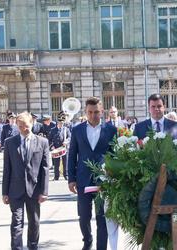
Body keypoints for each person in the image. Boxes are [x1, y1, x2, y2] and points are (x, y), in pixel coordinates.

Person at [68, 97, 117, 250]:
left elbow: (115, 155)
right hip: (83, 180)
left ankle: (101, 247)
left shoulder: (111, 130)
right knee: (84, 217)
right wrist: (71, 178)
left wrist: (114, 176)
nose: (93, 115)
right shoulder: (77, 130)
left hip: (104, 180)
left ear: (101, 112)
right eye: (90, 112)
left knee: (102, 218)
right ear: (85, 112)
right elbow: (72, 155)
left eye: (96, 112)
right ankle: (87, 241)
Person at [2, 112, 50, 250]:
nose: (24, 129)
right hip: (15, 190)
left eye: (27, 126)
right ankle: (16, 248)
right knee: (16, 222)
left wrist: (44, 191)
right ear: (17, 125)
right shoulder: (10, 143)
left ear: (32, 123)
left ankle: (32, 246)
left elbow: (45, 169)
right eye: (21, 126)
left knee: (34, 222)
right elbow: (7, 170)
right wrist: (5, 193)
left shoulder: (42, 142)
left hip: (34, 190)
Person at [48, 111, 71, 180]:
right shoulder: (52, 130)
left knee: (65, 162)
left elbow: (70, 137)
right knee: (56, 163)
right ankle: (56, 176)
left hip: (64, 148)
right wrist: (52, 146)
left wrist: (66, 141)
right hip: (56, 148)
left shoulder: (66, 129)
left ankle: (65, 175)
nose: (61, 124)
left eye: (62, 123)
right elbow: (49, 139)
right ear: (57, 123)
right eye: (60, 123)